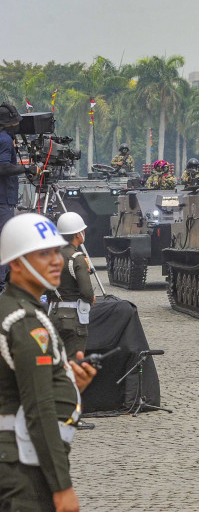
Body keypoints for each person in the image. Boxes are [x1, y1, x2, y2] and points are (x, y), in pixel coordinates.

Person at [0, 213, 97, 512]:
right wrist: (61, 486)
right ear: (16, 263)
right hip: (22, 466)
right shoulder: (26, 321)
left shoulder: (22, 309)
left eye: (56, 250)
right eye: (44, 254)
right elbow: (38, 407)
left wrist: (67, 381)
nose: (56, 260)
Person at [0, 104, 38, 286]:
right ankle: (2, 286)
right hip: (3, 200)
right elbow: (3, 167)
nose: (17, 125)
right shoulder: (5, 140)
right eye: (14, 122)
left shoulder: (6, 139)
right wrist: (26, 168)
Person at [51, 213, 94, 359]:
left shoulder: (51, 256)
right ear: (77, 234)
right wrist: (91, 299)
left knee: (56, 363)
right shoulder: (77, 258)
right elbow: (87, 293)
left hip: (53, 314)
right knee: (74, 364)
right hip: (73, 318)